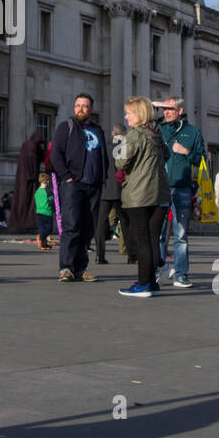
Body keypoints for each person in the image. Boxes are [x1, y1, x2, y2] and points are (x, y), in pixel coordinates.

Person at [115, 97, 171, 297]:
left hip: (139, 193)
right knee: (153, 237)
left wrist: (118, 145)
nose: (126, 116)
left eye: (129, 113)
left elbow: (121, 162)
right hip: (160, 193)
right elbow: (167, 155)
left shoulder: (134, 135)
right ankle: (152, 282)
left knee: (142, 240)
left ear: (138, 115)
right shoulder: (156, 135)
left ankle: (143, 283)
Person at [50, 93, 107, 283]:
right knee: (71, 226)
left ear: (91, 109)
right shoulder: (66, 127)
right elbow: (55, 154)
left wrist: (103, 178)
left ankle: (81, 268)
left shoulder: (98, 130)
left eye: (85, 106)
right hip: (73, 185)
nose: (80, 109)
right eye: (77, 106)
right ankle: (66, 268)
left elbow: (103, 156)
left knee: (87, 229)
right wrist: (66, 178)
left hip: (94, 186)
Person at [154, 98, 205, 287]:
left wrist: (186, 152)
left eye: (170, 109)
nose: (166, 112)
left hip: (182, 187)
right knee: (158, 233)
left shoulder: (193, 132)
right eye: (164, 109)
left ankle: (180, 274)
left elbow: (202, 159)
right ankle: (157, 269)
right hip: (159, 187)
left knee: (181, 234)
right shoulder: (158, 129)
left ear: (180, 110)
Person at [97, 123, 126, 265]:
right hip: (121, 189)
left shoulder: (105, 146)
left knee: (101, 222)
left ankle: (99, 255)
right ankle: (130, 253)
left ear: (112, 133)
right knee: (126, 222)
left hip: (105, 188)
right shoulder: (122, 146)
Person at [11, 129, 46, 236]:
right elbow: (36, 160)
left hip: (24, 178)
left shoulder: (27, 145)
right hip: (30, 179)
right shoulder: (32, 147)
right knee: (30, 202)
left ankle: (22, 224)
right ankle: (28, 224)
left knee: (23, 201)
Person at [34, 172, 55, 250]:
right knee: (49, 228)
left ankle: (44, 244)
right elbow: (51, 202)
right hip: (47, 212)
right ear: (47, 181)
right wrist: (54, 210)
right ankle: (41, 237)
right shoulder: (49, 191)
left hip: (39, 212)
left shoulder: (37, 191)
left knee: (42, 229)